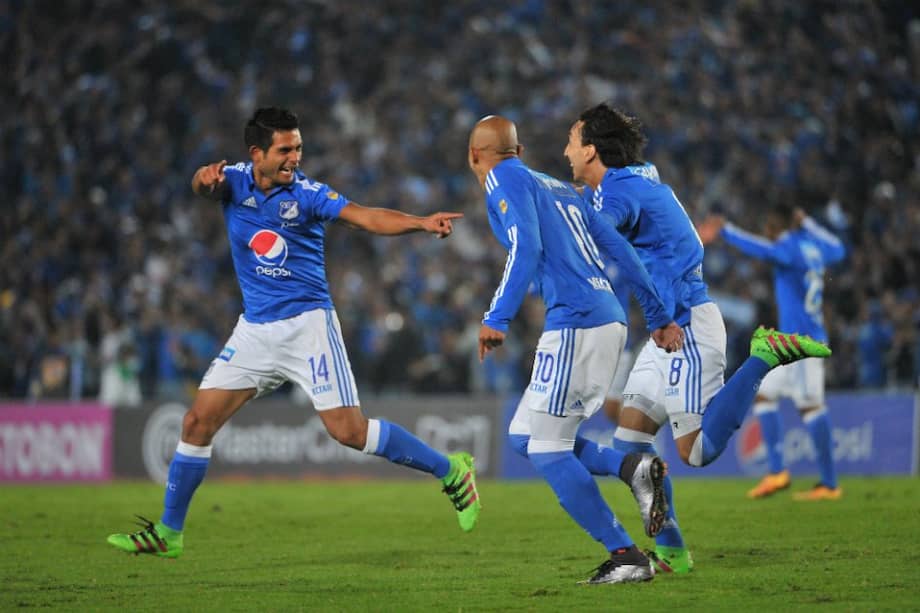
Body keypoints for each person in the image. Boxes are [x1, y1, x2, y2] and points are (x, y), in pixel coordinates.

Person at [107, 107, 480, 558]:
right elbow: (203, 186)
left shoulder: (307, 194)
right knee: (196, 422)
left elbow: (363, 216)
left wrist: (420, 223)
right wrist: (199, 179)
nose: (295, 158)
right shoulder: (236, 181)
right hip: (255, 330)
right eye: (285, 149)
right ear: (256, 153)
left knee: (349, 432)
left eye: (299, 148)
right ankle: (169, 533)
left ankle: (451, 471)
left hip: (308, 327)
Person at [563, 103, 832, 574]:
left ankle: (762, 358)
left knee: (698, 453)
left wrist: (571, 211)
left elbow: (610, 245)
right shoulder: (636, 178)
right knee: (630, 444)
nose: (565, 150)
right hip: (667, 327)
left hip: (683, 327)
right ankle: (672, 552)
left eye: (571, 140)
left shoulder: (620, 195)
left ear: (591, 150)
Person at [469, 115, 683, 584]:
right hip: (606, 318)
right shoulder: (564, 190)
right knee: (524, 437)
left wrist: (496, 317)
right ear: (520, 150)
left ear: (474, 157)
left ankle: (626, 555)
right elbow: (624, 254)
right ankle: (633, 468)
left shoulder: (501, 176)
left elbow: (524, 248)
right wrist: (658, 315)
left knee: (547, 449)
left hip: (575, 323)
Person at [697, 206, 846, 500]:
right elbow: (839, 250)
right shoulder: (814, 247)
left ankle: (829, 484)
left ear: (772, 228)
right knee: (765, 394)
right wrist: (811, 224)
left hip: (804, 343)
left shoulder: (787, 248)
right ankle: (778, 472)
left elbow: (762, 251)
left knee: (811, 407)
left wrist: (726, 231)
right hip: (791, 344)